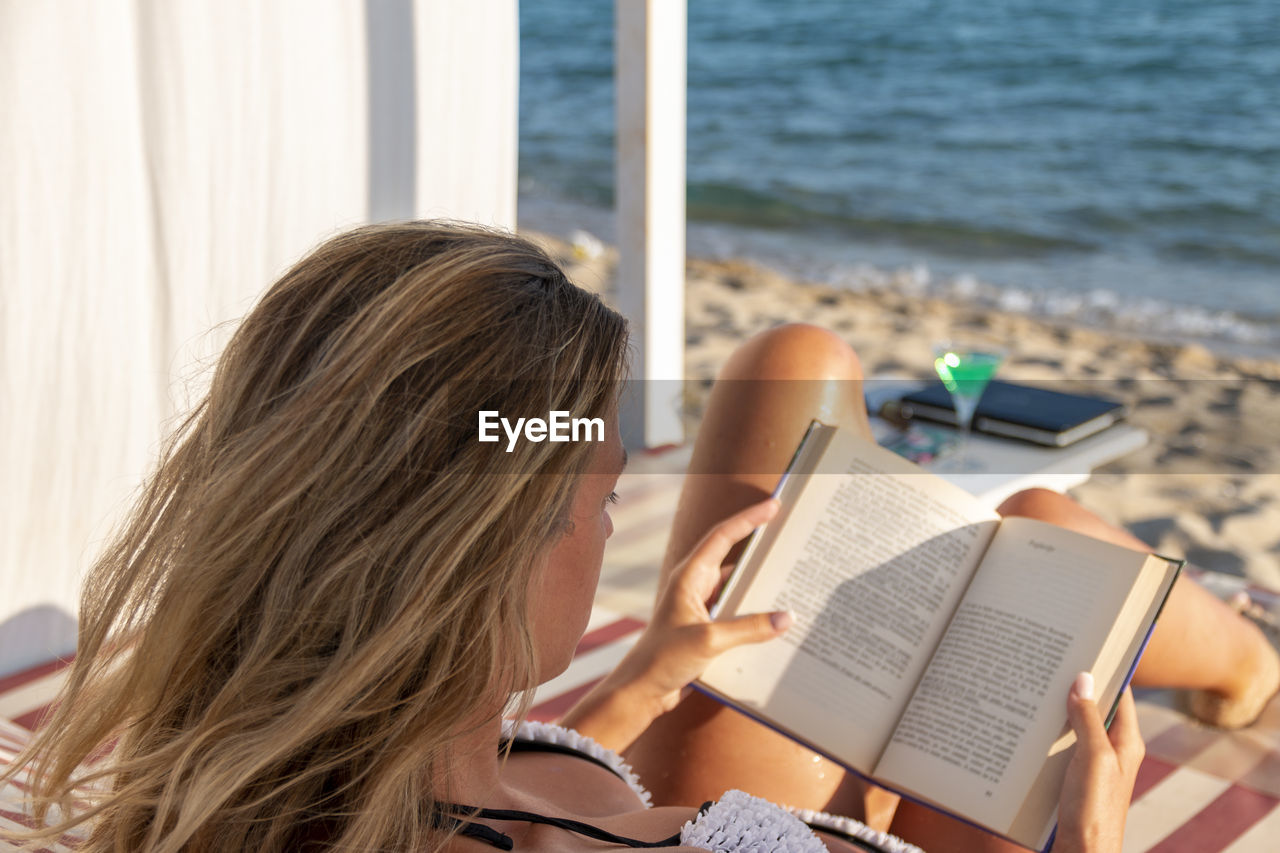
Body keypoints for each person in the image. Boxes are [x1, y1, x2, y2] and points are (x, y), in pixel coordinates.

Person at [3, 222, 1275, 852]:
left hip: (651, 786)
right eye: (605, 501)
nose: (622, 519)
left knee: (795, 363)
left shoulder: (286, 766)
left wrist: (647, 673)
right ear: (480, 555)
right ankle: (1246, 665)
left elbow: (482, 794)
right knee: (1045, 539)